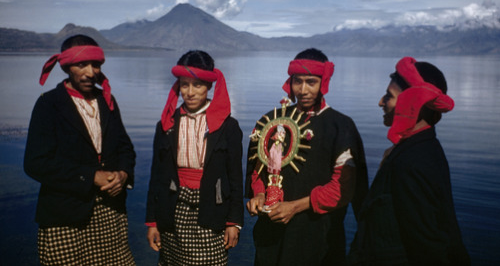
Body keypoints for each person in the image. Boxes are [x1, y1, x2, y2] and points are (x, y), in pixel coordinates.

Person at [246, 48, 368, 265]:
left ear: (324, 82)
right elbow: (258, 169)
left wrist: (295, 207)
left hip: (317, 234)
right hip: (271, 234)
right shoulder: (272, 121)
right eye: (297, 81)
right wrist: (260, 195)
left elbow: (342, 188)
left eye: (311, 82)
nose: (303, 90)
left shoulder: (340, 127)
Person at [24, 35, 136, 265]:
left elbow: (125, 147)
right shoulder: (49, 104)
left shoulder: (106, 100)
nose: (90, 72)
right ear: (66, 66)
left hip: (110, 214)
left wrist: (123, 174)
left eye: (95, 65)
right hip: (64, 217)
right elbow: (36, 163)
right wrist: (91, 176)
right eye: (81, 65)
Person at [348, 56, 470, 265]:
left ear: (412, 103)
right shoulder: (420, 149)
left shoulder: (412, 162)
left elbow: (426, 244)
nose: (380, 102)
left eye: (389, 96)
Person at [145, 50, 244, 265]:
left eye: (197, 85)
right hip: (173, 210)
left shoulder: (227, 127)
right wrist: (152, 221)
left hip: (212, 211)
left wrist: (234, 222)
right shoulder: (167, 125)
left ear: (209, 86)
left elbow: (235, 177)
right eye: (184, 85)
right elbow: (157, 176)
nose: (190, 92)